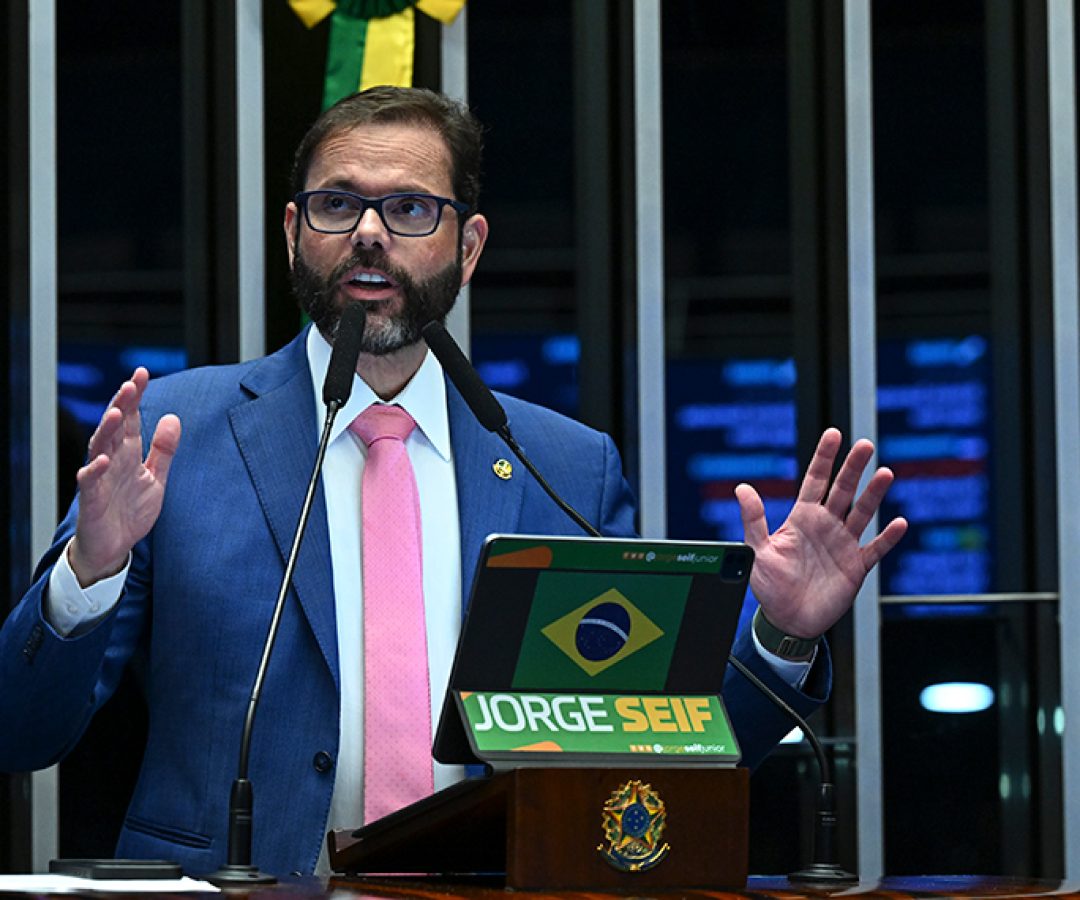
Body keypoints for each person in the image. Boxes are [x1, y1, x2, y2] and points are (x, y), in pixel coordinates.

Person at [0, 86, 907, 877]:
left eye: (407, 209)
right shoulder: (177, 436)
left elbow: (652, 758)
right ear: (292, 233)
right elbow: (22, 730)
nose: (365, 233)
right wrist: (89, 568)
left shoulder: (565, 466)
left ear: (467, 247)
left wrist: (780, 634)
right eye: (334, 205)